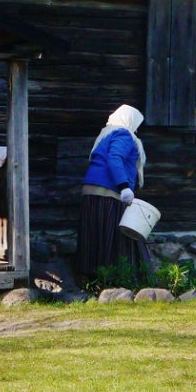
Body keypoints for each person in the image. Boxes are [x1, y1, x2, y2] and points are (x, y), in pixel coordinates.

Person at [75, 104, 150, 279]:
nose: (136, 129)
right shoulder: (124, 134)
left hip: (92, 190)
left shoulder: (106, 135)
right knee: (113, 236)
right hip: (109, 192)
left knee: (94, 235)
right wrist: (124, 186)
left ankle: (91, 277)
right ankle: (115, 278)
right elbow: (115, 157)